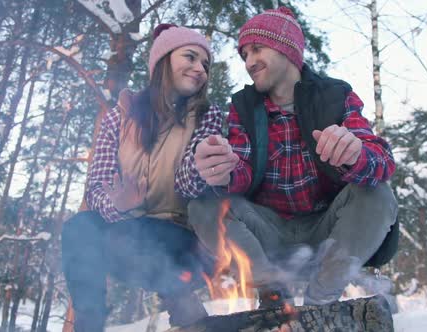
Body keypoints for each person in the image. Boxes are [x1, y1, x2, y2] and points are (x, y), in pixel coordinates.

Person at [175, 7, 398, 308]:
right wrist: (224, 172)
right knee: (203, 206)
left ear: (286, 49)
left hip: (328, 232)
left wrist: (357, 154)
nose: (249, 62)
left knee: (378, 194)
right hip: (268, 235)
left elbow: (382, 161)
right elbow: (240, 168)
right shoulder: (244, 107)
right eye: (244, 56)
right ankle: (273, 294)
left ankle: (321, 300)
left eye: (256, 49)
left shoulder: (335, 95)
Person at [62, 24, 223, 331]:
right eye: (190, 57)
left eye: (205, 64)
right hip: (127, 235)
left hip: (183, 240)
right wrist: (118, 203)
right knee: (78, 228)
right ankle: (88, 325)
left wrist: (202, 164)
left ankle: (187, 311)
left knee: (139, 237)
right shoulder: (119, 116)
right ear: (163, 61)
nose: (199, 69)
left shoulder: (207, 116)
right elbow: (96, 188)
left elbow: (190, 186)